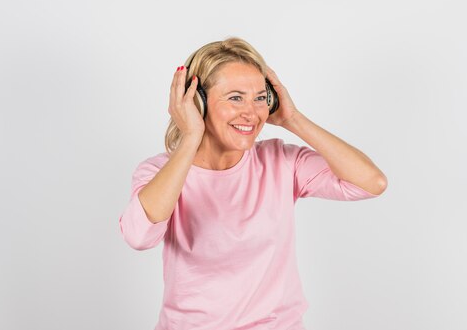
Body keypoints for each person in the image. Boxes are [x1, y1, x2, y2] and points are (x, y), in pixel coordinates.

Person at [119, 37, 388, 330]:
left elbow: (371, 182)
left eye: (260, 98)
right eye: (235, 97)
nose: (252, 113)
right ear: (197, 102)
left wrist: (293, 119)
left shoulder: (280, 161)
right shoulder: (160, 172)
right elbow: (139, 236)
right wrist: (191, 136)